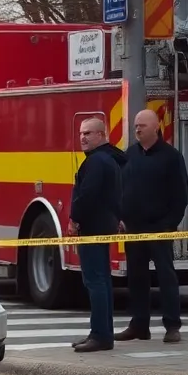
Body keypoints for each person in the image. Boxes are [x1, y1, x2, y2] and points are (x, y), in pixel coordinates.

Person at [117, 108, 188, 344]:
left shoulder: (171, 157)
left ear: (156, 127)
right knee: (136, 278)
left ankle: (172, 326)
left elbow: (181, 196)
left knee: (165, 276)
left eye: (143, 126)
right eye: (136, 125)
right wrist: (121, 217)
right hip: (134, 228)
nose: (137, 129)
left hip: (159, 227)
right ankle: (139, 325)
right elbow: (121, 189)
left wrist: (169, 224)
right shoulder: (130, 155)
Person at [67, 117, 125, 352]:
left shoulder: (96, 162)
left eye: (89, 133)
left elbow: (88, 195)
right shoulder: (108, 159)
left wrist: (75, 219)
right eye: (81, 133)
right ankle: (101, 332)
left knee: (95, 281)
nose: (83, 137)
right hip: (102, 226)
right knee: (101, 281)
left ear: (101, 135)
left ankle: (100, 335)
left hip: (92, 228)